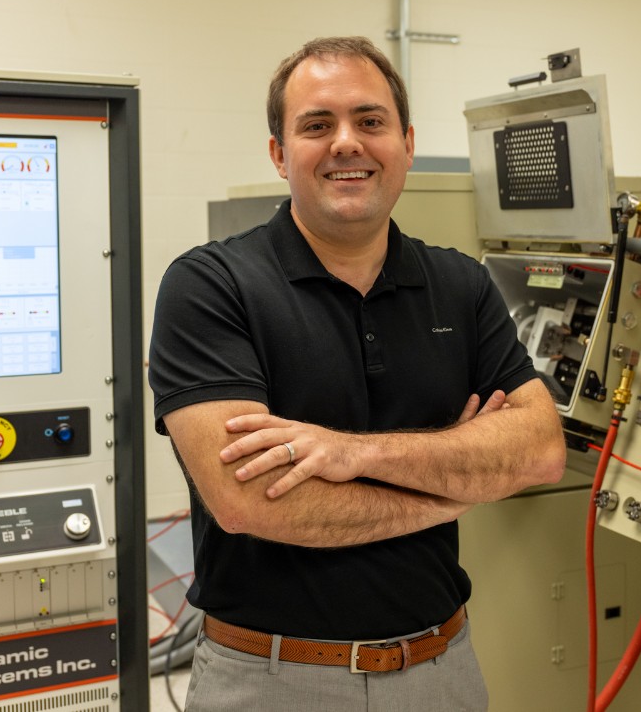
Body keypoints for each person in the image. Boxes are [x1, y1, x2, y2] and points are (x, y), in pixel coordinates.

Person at [148, 35, 567, 711]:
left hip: (443, 668)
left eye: (370, 121)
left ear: (403, 142)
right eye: (317, 125)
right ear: (280, 153)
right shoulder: (210, 285)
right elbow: (246, 501)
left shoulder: (461, 284)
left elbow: (542, 449)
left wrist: (350, 452)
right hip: (269, 679)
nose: (347, 142)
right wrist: (453, 489)